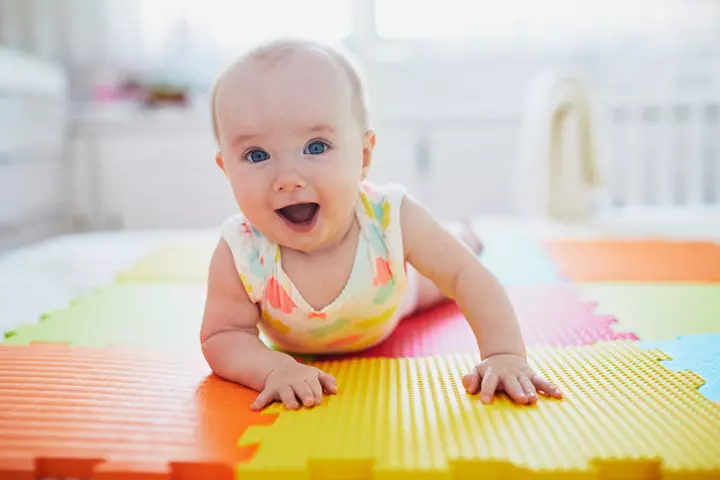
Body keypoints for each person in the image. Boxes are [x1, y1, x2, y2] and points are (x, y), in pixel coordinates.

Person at [200, 39, 563, 411]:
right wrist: (272, 368)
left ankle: (465, 234)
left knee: (444, 268)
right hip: (328, 326)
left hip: (393, 290)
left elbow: (466, 275)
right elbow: (224, 334)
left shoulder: (391, 219)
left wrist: (504, 353)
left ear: (363, 155)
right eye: (256, 155)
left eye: (316, 147)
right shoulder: (240, 251)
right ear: (226, 168)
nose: (288, 178)